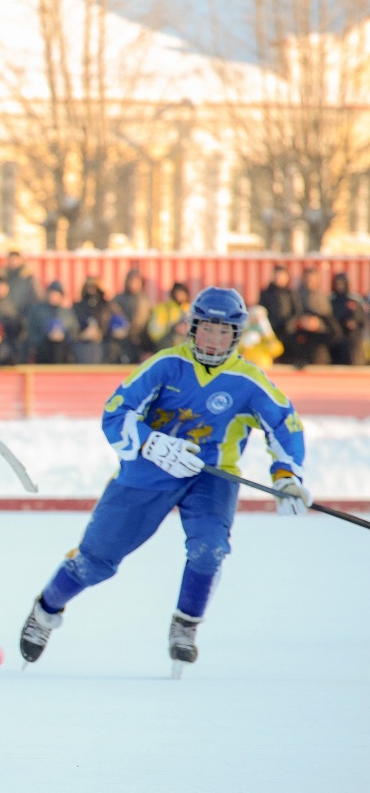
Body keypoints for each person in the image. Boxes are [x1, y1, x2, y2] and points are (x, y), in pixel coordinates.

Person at [18, 287, 310, 673]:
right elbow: (115, 413)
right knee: (95, 562)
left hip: (212, 476)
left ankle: (185, 626)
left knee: (210, 549)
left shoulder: (249, 380)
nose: (214, 340)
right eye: (207, 329)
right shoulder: (165, 364)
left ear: (236, 335)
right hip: (147, 472)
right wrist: (150, 442)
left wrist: (287, 477)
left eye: (224, 332)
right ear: (192, 328)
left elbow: (284, 426)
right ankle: (45, 609)